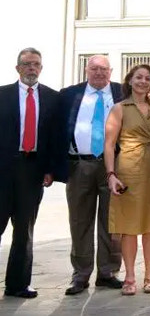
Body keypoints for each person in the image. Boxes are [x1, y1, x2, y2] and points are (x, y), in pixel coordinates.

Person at [57, 55, 123, 295]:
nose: (99, 73)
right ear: (86, 70)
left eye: (103, 69)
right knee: (79, 221)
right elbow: (55, 128)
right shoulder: (69, 94)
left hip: (113, 167)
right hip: (79, 165)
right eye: (94, 68)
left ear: (111, 71)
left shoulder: (121, 92)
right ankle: (81, 274)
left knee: (112, 220)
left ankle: (108, 272)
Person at [104, 64, 150, 296]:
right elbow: (109, 145)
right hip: (129, 171)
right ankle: (130, 276)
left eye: (147, 78)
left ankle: (149, 276)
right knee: (129, 226)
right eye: (138, 77)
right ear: (130, 80)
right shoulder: (119, 108)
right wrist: (111, 175)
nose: (143, 81)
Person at [0, 48, 59, 299]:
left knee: (24, 229)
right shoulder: (2, 95)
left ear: (41, 68)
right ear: (17, 68)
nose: (31, 68)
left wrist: (50, 169)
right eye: (26, 64)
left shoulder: (52, 98)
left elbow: (55, 137)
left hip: (32, 170)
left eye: (36, 64)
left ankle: (18, 284)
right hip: (2, 168)